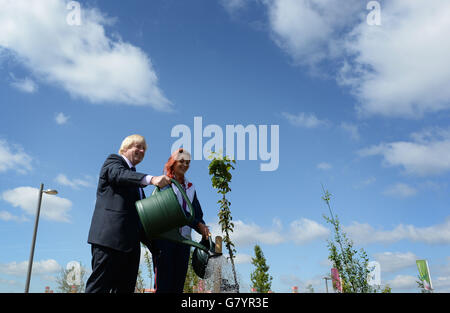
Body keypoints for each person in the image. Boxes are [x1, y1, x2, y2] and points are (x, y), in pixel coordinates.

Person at [85, 134, 171, 293]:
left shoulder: (135, 182)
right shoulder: (113, 162)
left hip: (131, 247)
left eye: (144, 149)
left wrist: (156, 247)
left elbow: (140, 219)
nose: (141, 150)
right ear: (125, 148)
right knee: (99, 288)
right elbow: (119, 175)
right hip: (109, 241)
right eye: (137, 146)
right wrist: (151, 179)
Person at [150, 148, 210, 293]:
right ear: (173, 162)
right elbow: (173, 210)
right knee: (164, 285)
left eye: (188, 162)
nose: (185, 165)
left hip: (183, 241)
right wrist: (196, 223)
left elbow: (196, 212)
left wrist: (202, 226)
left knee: (178, 285)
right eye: (181, 161)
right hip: (165, 240)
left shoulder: (190, 187)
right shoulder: (165, 183)